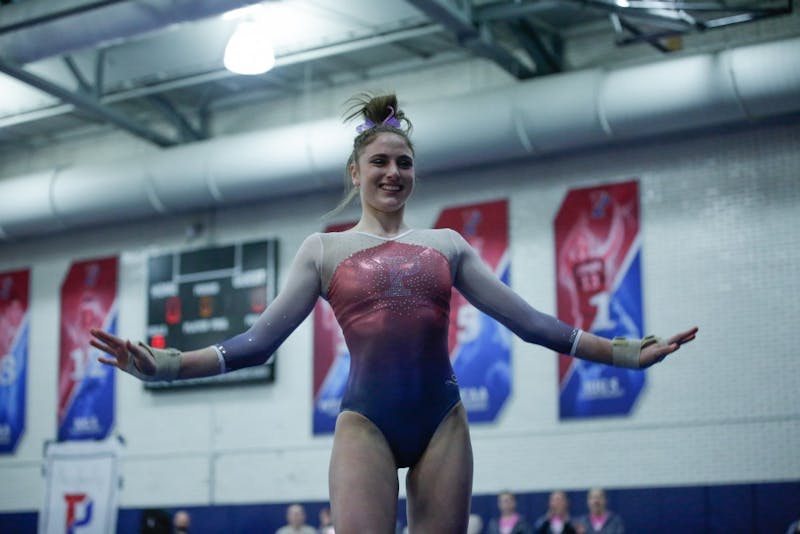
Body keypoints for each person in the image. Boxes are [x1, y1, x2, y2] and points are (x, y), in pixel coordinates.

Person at [90, 92, 698, 534]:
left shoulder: (448, 247)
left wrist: (623, 354)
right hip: (366, 425)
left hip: (443, 422)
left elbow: (533, 324)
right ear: (355, 173)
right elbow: (254, 345)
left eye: (404, 163)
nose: (393, 172)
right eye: (380, 162)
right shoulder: (323, 250)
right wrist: (165, 365)